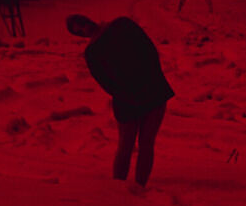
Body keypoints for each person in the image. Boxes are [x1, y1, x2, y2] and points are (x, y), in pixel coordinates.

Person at [67, 13, 174, 186]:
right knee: (126, 146)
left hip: (152, 91)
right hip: (127, 101)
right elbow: (105, 82)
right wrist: (126, 94)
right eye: (78, 32)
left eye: (81, 24)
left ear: (86, 18)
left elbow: (149, 50)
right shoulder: (92, 53)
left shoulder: (122, 25)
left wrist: (151, 77)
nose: (83, 29)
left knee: (146, 143)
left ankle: (140, 187)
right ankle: (119, 190)